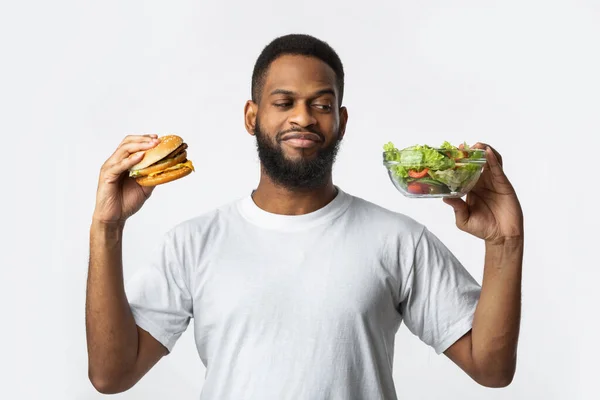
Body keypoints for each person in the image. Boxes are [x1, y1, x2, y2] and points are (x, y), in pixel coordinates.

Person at [86, 34, 524, 399]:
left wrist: (505, 242)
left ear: (341, 120)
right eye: (284, 102)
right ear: (251, 116)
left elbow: (490, 368)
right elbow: (111, 375)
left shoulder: (397, 239)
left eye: (321, 104)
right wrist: (108, 227)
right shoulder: (193, 242)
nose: (303, 117)